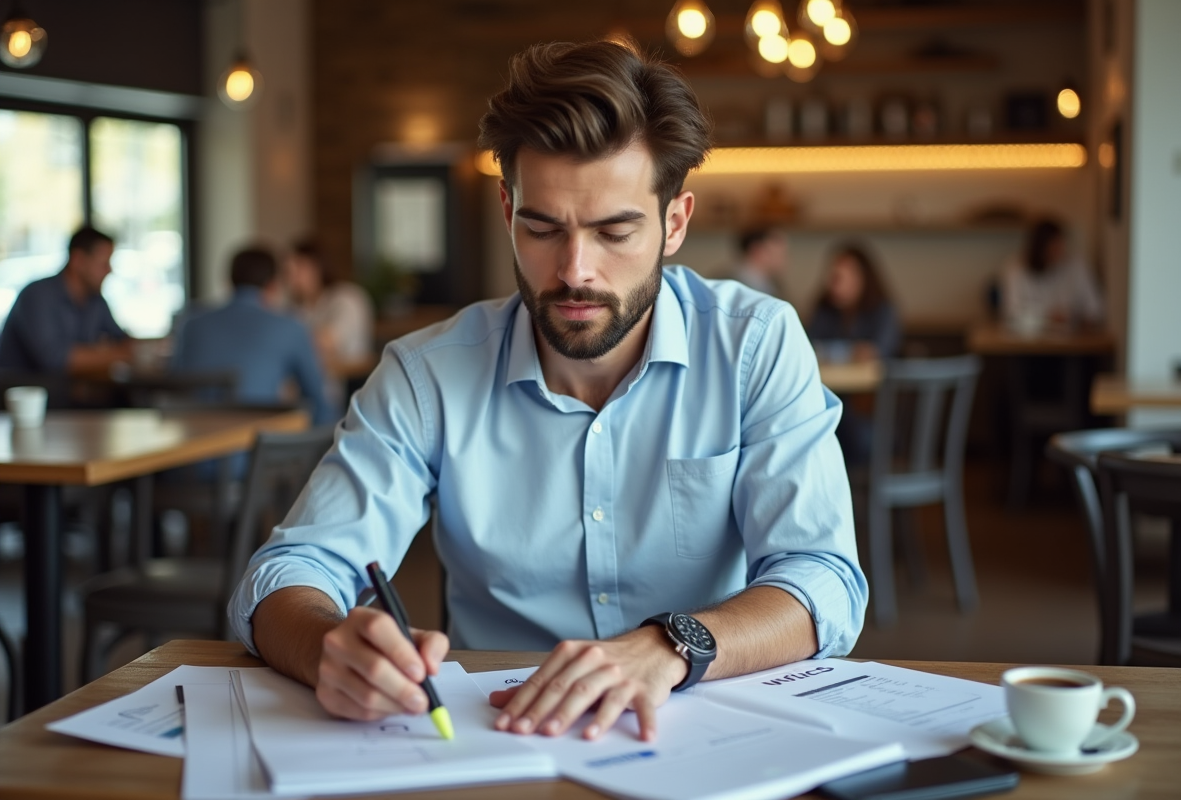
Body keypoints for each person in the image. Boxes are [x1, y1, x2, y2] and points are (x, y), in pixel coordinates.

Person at [230, 40, 863, 744]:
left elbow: (822, 579)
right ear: (508, 210)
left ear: (674, 223)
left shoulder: (755, 345)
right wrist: (328, 649)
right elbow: (288, 572)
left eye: (614, 231)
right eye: (542, 228)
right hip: (491, 737)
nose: (574, 270)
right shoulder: (425, 374)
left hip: (703, 733)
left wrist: (670, 646)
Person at [171, 247, 335, 424]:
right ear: (273, 285)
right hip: (259, 438)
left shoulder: (190, 323)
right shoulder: (290, 327)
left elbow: (173, 383)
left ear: (229, 281)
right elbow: (318, 399)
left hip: (193, 436)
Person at [807, 244, 901, 465]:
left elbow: (875, 352)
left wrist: (833, 351)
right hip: (827, 401)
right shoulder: (824, 309)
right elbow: (810, 348)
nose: (835, 284)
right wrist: (851, 351)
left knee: (846, 429)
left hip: (872, 411)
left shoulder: (883, 311)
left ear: (862, 279)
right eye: (833, 277)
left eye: (842, 277)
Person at [0, 226, 132, 375]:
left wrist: (115, 351)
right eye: (103, 263)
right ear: (78, 260)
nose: (109, 270)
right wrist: (119, 354)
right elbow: (56, 359)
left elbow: (123, 340)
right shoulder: (37, 295)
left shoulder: (95, 299)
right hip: (24, 387)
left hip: (73, 387)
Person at [283, 239, 375, 409]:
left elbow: (326, 342)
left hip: (344, 390)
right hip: (305, 388)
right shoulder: (295, 307)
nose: (291, 276)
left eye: (299, 267)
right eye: (288, 270)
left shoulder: (346, 297)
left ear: (318, 267)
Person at [1001, 218, 1103, 329]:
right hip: (1029, 337)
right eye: (1053, 246)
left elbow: (1095, 309)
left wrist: (1074, 318)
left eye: (1060, 244)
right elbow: (1011, 312)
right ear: (1039, 248)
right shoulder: (1017, 270)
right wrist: (1047, 316)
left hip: (1072, 336)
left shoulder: (1077, 267)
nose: (1059, 251)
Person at [731, 226, 788, 297]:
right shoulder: (729, 285)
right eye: (778, 254)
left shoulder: (775, 284)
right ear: (757, 251)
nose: (784, 259)